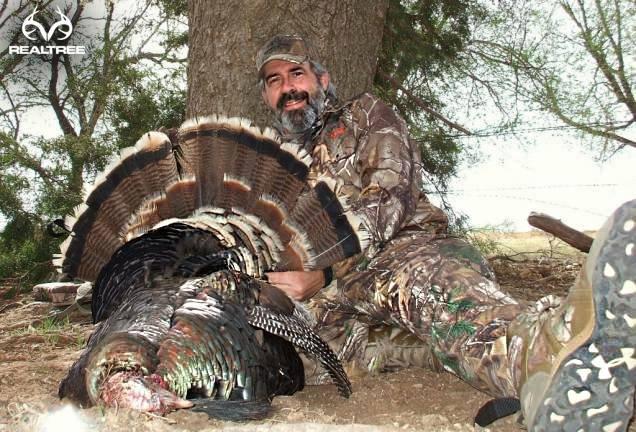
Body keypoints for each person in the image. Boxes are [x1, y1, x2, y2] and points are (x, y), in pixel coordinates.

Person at [256, 34, 636, 431]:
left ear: (321, 79)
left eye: (296, 73)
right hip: (333, 305)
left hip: (400, 256)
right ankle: (598, 358)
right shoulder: (271, 166)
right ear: (266, 96)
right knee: (290, 357)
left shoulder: (365, 116)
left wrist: (325, 270)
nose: (288, 88)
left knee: (443, 305)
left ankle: (554, 361)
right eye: (274, 81)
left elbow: (388, 200)